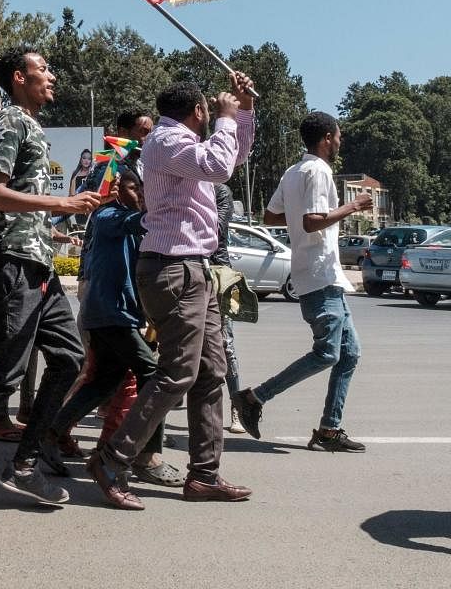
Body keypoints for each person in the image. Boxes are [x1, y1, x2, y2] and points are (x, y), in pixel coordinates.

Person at [0, 47, 102, 529]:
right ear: (16, 77)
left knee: (69, 360)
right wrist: (63, 203)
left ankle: (24, 464)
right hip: (14, 265)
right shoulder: (11, 122)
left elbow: (21, 202)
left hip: (40, 264)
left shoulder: (32, 125)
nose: (51, 75)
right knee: (3, 375)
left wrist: (55, 226)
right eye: (42, 69)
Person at [89, 75, 256, 511]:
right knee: (177, 373)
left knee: (210, 372)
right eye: (210, 112)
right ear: (197, 111)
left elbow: (234, 155)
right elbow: (220, 165)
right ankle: (111, 459)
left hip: (194, 267)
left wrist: (242, 112)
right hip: (173, 267)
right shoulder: (165, 140)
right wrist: (226, 117)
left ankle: (204, 474)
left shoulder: (190, 146)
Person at [234, 111, 372, 452]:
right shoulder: (319, 170)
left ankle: (329, 430)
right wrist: (353, 205)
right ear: (326, 138)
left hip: (323, 276)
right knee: (328, 353)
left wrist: (298, 216)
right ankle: (254, 397)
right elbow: (311, 222)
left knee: (349, 354)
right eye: (337, 136)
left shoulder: (294, 171)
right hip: (318, 274)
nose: (340, 142)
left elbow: (269, 216)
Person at [48, 169, 184, 486]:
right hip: (111, 313)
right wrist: (165, 202)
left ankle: (51, 434)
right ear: (114, 190)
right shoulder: (108, 215)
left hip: (115, 314)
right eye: (133, 187)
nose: (139, 193)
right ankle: (146, 456)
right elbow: (139, 221)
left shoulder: (123, 218)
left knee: (106, 382)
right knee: (154, 375)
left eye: (141, 187)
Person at [212, 183, 246, 434]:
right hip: (188, 268)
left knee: (227, 346)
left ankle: (238, 408)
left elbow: (216, 229)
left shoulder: (220, 191)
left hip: (220, 273)